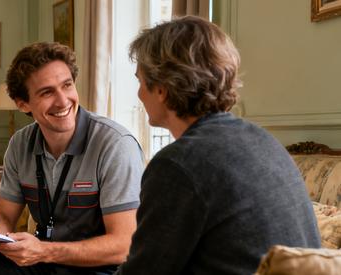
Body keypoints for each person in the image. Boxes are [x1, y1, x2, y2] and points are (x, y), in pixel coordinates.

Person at [116, 16, 320, 274]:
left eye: (141, 81)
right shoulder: (262, 140)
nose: (139, 94)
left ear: (162, 88)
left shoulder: (177, 164)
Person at [0, 42, 144, 274]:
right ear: (22, 103)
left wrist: (45, 251)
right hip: (45, 263)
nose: (63, 101)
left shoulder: (115, 144)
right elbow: (5, 216)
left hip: (99, 269)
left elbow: (125, 245)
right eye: (47, 92)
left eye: (67, 85)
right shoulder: (20, 144)